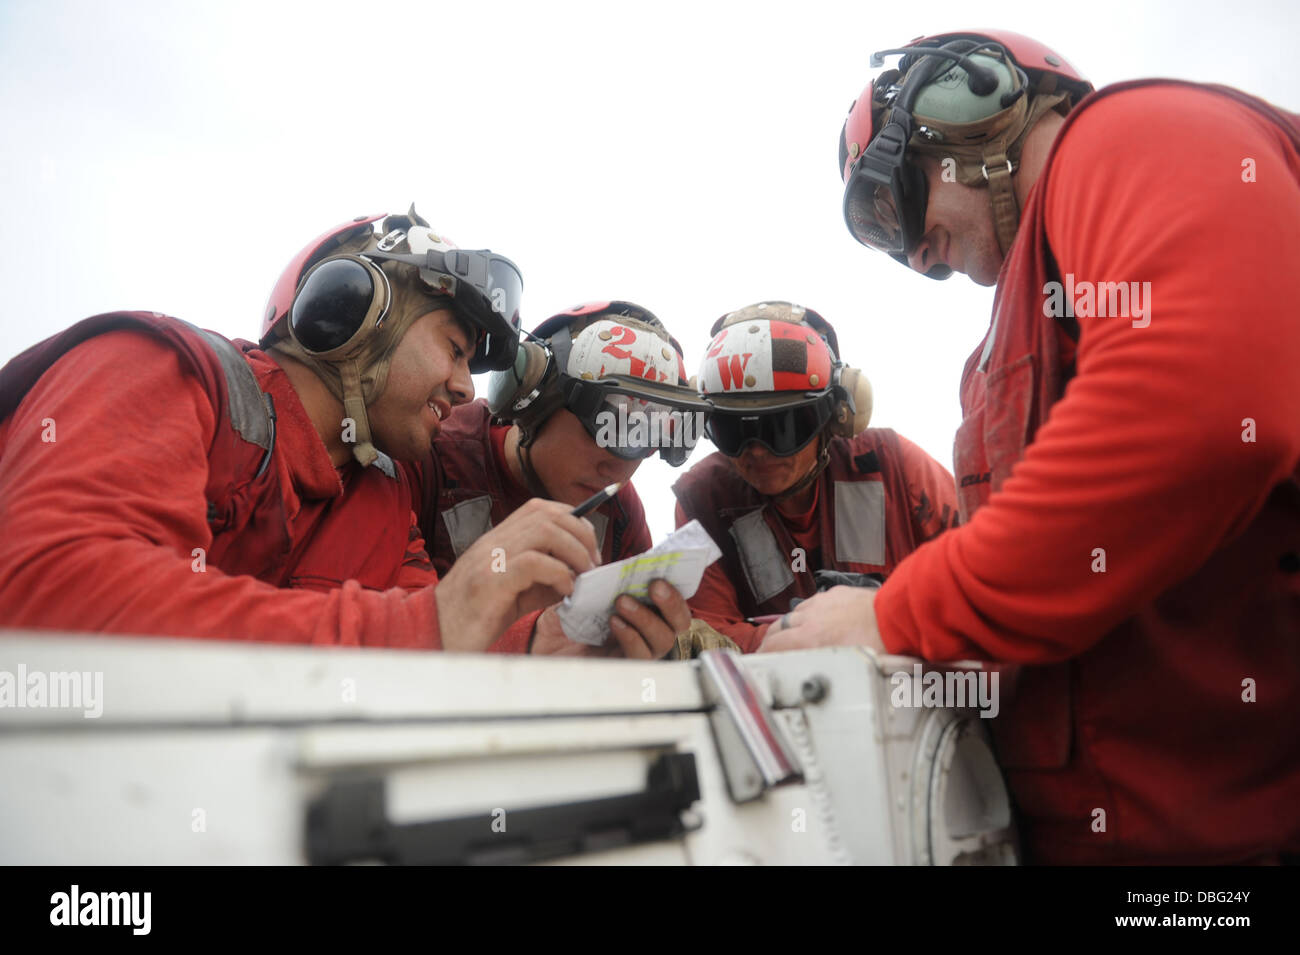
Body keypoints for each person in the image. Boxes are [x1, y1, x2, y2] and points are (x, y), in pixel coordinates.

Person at [777, 29, 1300, 864]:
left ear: (967, 102)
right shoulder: (1012, 330)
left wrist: (892, 616)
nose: (915, 255)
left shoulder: (1133, 135)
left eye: (896, 202)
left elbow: (1204, 412)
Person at [0, 207, 672, 659]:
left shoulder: (377, 498)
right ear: (355, 311)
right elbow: (47, 593)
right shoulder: (157, 367)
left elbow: (442, 629)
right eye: (455, 348)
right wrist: (430, 620)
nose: (468, 390)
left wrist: (553, 637)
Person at [406, 301, 700, 656]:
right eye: (604, 427)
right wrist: (531, 640)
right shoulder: (429, 453)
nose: (617, 468)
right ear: (532, 395)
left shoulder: (619, 509)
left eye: (642, 442)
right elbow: (383, 628)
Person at [673, 301, 958, 652]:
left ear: (833, 417)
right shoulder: (703, 498)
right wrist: (809, 637)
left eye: (783, 427)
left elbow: (984, 576)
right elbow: (710, 631)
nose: (757, 450)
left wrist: (890, 622)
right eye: (733, 430)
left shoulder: (892, 467)